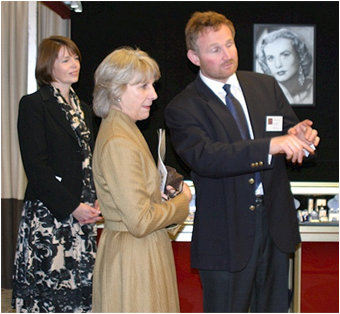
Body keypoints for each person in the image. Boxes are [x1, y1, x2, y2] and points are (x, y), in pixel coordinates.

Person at [164, 11, 320, 313]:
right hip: (225, 235)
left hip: (274, 226)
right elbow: (208, 157)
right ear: (194, 57)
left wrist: (301, 137)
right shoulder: (183, 107)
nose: (227, 55)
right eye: (215, 49)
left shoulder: (265, 86)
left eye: (230, 44)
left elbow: (289, 133)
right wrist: (271, 145)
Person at [91, 46, 192, 313]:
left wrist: (161, 197)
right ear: (116, 91)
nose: (154, 94)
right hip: (134, 261)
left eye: (153, 85)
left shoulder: (125, 130)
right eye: (143, 86)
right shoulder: (118, 140)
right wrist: (181, 203)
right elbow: (139, 221)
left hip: (141, 252)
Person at [12, 36, 102, 313]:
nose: (74, 64)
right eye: (65, 59)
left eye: (75, 57)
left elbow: (90, 161)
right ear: (48, 66)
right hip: (50, 214)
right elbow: (36, 168)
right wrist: (72, 207)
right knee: (50, 294)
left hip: (83, 213)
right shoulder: (34, 104)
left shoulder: (84, 109)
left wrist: (96, 200)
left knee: (80, 293)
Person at [257, 28, 313, 104]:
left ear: (300, 56)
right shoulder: (261, 95)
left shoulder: (314, 89)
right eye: (271, 58)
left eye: (285, 55)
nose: (278, 65)